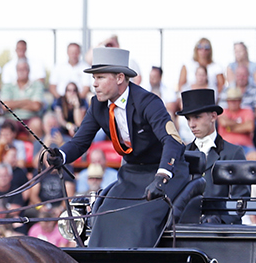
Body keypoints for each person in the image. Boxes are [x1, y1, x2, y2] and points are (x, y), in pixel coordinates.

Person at [49, 46, 187, 247]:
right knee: (103, 215)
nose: (94, 84)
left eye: (100, 77)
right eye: (93, 78)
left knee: (140, 218)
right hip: (131, 175)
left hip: (165, 174)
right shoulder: (97, 105)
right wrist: (60, 155)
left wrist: (162, 175)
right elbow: (80, 142)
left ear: (120, 78)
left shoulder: (148, 102)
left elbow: (172, 140)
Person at [173, 88, 248, 225]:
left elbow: (241, 199)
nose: (191, 125)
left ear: (213, 116)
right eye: (188, 119)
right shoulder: (182, 154)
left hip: (221, 231)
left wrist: (220, 220)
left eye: (197, 117)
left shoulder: (233, 152)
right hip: (187, 228)